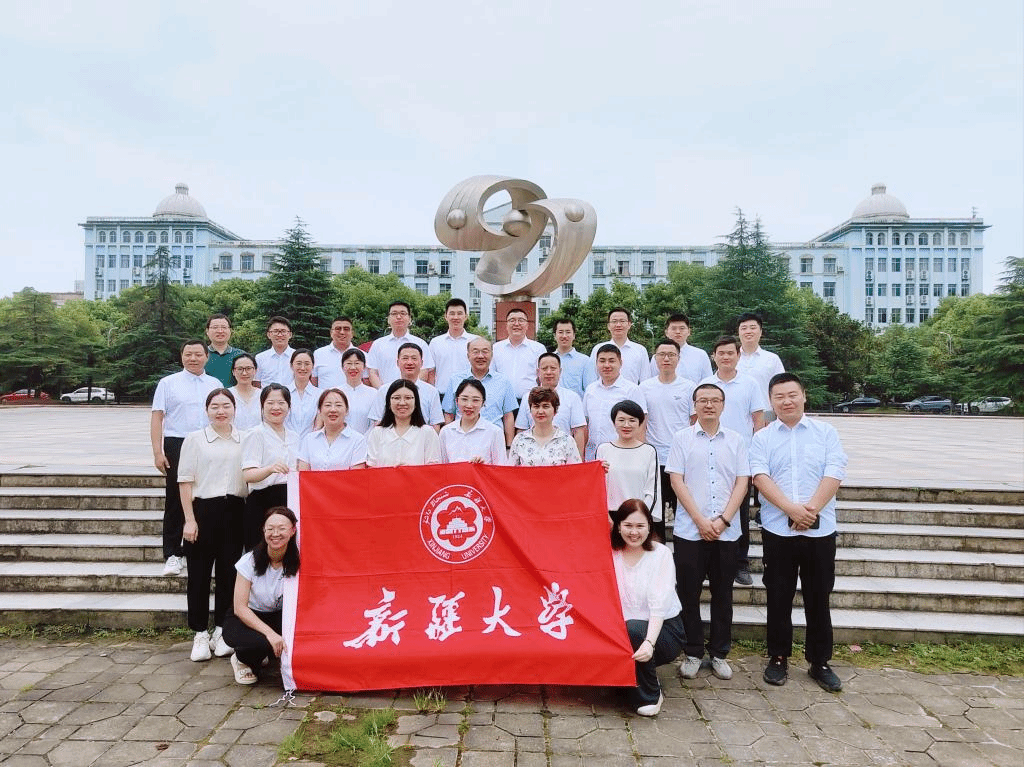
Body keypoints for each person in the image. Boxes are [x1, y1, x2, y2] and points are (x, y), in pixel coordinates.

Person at [751, 372, 848, 692]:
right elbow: (760, 477)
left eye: (792, 395)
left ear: (804, 395)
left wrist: (810, 510)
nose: (786, 401)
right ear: (771, 401)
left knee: (819, 597)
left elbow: (834, 472)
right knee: (778, 596)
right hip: (778, 530)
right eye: (779, 397)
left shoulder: (825, 432)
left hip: (820, 531)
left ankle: (820, 661)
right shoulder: (763, 437)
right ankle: (778, 657)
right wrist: (791, 510)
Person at [667, 383, 749, 682]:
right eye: (703, 400)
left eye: (715, 400)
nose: (709, 405)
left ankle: (719, 653)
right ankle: (692, 652)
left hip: (726, 532)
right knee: (688, 594)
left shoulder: (737, 440)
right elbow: (677, 480)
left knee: (723, 594)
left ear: (723, 405)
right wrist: (700, 520)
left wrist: (724, 520)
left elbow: (742, 482)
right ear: (695, 405)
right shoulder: (682, 438)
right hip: (690, 531)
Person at [178, 388, 247, 662]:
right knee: (199, 575)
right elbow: (185, 481)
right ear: (206, 410)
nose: (221, 411)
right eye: (215, 406)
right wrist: (189, 519)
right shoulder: (195, 439)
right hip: (203, 510)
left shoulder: (245, 439)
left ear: (234, 409)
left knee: (229, 575)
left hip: (235, 511)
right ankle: (199, 633)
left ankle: (221, 630)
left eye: (226, 406)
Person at [699, 335, 766, 587]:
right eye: (721, 353)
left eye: (730, 353)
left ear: (738, 355)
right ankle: (707, 563)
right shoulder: (705, 384)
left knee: (739, 511)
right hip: (707, 454)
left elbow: (758, 421)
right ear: (713, 356)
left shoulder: (750, 383)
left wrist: (756, 455)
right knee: (707, 507)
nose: (725, 357)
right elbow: (695, 418)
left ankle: (740, 563)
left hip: (739, 457)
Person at [151, 340, 221, 577]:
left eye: (198, 354)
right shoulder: (168, 383)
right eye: (188, 354)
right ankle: (172, 553)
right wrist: (158, 452)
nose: (193, 358)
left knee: (206, 495)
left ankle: (200, 548)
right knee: (175, 498)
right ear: (181, 356)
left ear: (207, 357)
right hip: (177, 443)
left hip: (208, 441)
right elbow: (157, 418)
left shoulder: (215, 384)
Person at [610, 499, 685, 717]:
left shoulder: (661, 554)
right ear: (618, 526)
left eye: (640, 526)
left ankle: (651, 693)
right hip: (622, 630)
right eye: (628, 525)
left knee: (634, 629)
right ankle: (627, 676)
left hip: (662, 631)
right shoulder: (610, 554)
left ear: (649, 527)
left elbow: (658, 605)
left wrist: (650, 642)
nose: (634, 532)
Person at [222, 506, 300, 685]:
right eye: (270, 528)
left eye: (282, 528)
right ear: (263, 530)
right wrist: (270, 634)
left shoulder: (299, 559)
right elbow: (240, 608)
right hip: (247, 617)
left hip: (279, 615)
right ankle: (241, 660)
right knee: (258, 644)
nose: (275, 534)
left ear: (293, 530)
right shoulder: (248, 561)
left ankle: (265, 652)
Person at [640, 338, 696, 533]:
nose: (666, 359)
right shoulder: (644, 387)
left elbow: (694, 421)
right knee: (656, 511)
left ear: (678, 358)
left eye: (671, 355)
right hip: (655, 456)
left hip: (682, 456)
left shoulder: (689, 387)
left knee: (684, 506)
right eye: (662, 355)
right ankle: (658, 546)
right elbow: (642, 422)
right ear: (655, 358)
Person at [241, 384, 298, 551]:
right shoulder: (255, 434)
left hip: (289, 500)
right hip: (262, 500)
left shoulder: (294, 437)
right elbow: (248, 475)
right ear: (262, 406)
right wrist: (270, 469)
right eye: (270, 403)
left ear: (289, 406)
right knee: (260, 552)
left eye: (281, 403)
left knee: (287, 551)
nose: (276, 408)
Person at [442, 337, 517, 446]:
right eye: (475, 352)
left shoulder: (503, 381)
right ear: (468, 355)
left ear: (491, 355)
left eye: (485, 351)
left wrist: (509, 446)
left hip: (493, 441)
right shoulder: (455, 380)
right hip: (462, 440)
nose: (480, 356)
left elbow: (508, 416)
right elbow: (449, 414)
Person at [514, 352, 587, 458]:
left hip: (563, 457)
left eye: (553, 368)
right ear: (538, 372)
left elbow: (579, 431)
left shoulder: (572, 397)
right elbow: (521, 429)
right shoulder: (527, 397)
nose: (549, 372)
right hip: (532, 458)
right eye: (544, 368)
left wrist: (579, 462)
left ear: (560, 371)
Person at [597, 401, 658, 525]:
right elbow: (598, 488)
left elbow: (652, 491)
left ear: (640, 423)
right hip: (609, 517)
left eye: (632, 420)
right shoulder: (603, 449)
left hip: (638, 515)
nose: (626, 425)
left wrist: (640, 517)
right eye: (621, 420)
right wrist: (605, 515)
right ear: (614, 423)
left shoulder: (649, 451)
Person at [582, 344, 647, 461]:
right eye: (602, 361)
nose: (607, 365)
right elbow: (585, 423)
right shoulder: (590, 390)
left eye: (611, 361)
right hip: (592, 456)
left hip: (622, 455)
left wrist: (636, 455)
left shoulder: (632, 390)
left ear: (620, 363)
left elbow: (641, 426)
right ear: (596, 363)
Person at [369, 343, 444, 431]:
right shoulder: (384, 390)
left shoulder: (431, 391)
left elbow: (435, 425)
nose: (409, 362)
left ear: (421, 363)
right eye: (405, 358)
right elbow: (377, 422)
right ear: (397, 363)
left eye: (414, 358)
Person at [366, 379, 442, 467]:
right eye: (397, 398)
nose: (402, 403)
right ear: (389, 403)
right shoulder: (377, 433)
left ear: (416, 403)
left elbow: (433, 469)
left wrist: (408, 472)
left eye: (408, 398)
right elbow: (371, 468)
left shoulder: (428, 433)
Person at [366, 300, 434, 388]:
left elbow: (424, 371)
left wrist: (410, 390)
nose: (398, 317)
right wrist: (384, 392)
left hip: (413, 393)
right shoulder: (378, 344)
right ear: (388, 319)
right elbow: (372, 372)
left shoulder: (420, 344)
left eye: (403, 313)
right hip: (386, 393)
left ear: (410, 319)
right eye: (394, 314)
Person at [297, 388, 368, 471]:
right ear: (320, 411)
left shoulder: (357, 440)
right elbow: (303, 474)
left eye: (338, 405)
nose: (333, 410)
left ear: (347, 410)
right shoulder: (309, 440)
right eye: (328, 405)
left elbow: (356, 475)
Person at [439, 379, 507, 464]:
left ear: (483, 403)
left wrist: (483, 466)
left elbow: (500, 467)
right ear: (456, 401)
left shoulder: (495, 432)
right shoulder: (446, 432)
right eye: (464, 399)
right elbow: (442, 466)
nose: (469, 405)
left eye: (475, 400)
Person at [508, 387, 581, 466]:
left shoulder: (567, 441)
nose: (540, 411)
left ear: (555, 410)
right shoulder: (519, 440)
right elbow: (511, 471)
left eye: (545, 406)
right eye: (536, 406)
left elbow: (575, 471)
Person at [491, 307, 545, 401]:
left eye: (521, 320)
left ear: (527, 325)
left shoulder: (538, 349)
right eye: (512, 320)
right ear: (506, 325)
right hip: (502, 401)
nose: (516, 324)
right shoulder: (496, 348)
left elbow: (543, 376)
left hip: (530, 401)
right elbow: (491, 375)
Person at [428, 298, 480, 393]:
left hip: (469, 395)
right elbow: (430, 372)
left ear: (466, 316)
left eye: (459, 313)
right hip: (442, 394)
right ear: (446, 316)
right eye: (452, 313)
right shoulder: (435, 343)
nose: (456, 317)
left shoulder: (476, 341)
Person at [736, 312, 786, 407]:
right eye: (744, 328)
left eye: (753, 328)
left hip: (766, 412)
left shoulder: (772, 359)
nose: (748, 331)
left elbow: (782, 388)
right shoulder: (730, 359)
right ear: (738, 332)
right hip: (737, 412)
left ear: (760, 332)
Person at [646, 313, 712, 384]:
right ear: (666, 332)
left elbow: (708, 382)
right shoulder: (658, 357)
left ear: (689, 332)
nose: (678, 332)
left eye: (682, 328)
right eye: (673, 328)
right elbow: (653, 382)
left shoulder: (700, 355)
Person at [589, 308, 649, 384]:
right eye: (614, 321)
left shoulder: (640, 350)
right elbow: (592, 379)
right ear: (608, 326)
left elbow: (645, 381)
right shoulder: (597, 349)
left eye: (622, 321)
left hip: (631, 391)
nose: (618, 325)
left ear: (629, 324)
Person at [552, 317, 596, 399]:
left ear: (574, 335)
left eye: (568, 332)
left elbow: (590, 390)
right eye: (560, 332)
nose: (564, 336)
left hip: (576, 405)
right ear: (555, 336)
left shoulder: (585, 361)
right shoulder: (548, 360)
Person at [312, 317, 359, 389]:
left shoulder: (362, 355)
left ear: (352, 333)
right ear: (331, 333)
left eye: (346, 329)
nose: (342, 332)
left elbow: (366, 383)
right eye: (338, 329)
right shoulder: (318, 354)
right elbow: (314, 383)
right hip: (325, 396)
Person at [338, 348, 376, 434]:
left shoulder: (373, 394)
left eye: (357, 363)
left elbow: (375, 424)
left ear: (364, 367)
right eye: (349, 363)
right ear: (342, 367)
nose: (353, 367)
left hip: (366, 440)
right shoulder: (335, 393)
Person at [285, 349, 321, 439]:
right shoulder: (282, 393)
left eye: (307, 364)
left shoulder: (320, 395)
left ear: (313, 366)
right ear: (291, 366)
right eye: (299, 363)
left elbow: (319, 425)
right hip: (285, 443)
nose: (302, 368)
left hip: (311, 443)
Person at [204, 314, 247, 387]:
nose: (220, 331)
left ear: (230, 331)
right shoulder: (200, 355)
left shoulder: (242, 355)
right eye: (215, 327)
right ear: (207, 331)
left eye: (224, 327)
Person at [253, 317, 295, 388]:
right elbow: (256, 382)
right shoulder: (260, 358)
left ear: (290, 334)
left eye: (283, 331)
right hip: (267, 395)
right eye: (276, 331)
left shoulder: (297, 356)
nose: (280, 335)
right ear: (269, 335)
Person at [228, 353, 262, 432]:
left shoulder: (263, 395)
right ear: (233, 372)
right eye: (240, 369)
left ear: (255, 371)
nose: (244, 373)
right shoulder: (227, 395)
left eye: (248, 368)